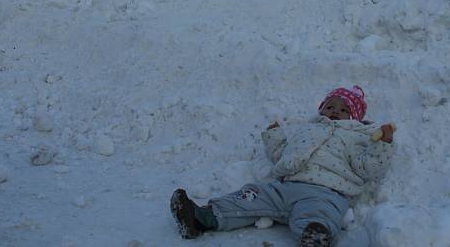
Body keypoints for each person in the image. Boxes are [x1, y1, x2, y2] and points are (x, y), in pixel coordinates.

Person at [170, 85, 396, 247]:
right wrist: (274, 136)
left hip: (325, 193)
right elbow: (282, 154)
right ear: (321, 109)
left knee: (318, 215)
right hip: (284, 187)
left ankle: (315, 237)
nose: (335, 111)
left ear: (354, 117)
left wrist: (383, 144)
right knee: (252, 195)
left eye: (343, 109)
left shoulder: (356, 137)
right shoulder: (307, 129)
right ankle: (202, 218)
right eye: (330, 106)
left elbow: (368, 168)